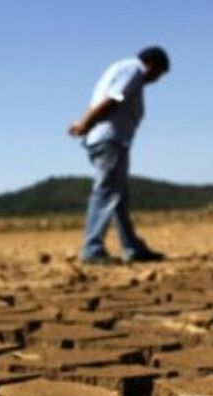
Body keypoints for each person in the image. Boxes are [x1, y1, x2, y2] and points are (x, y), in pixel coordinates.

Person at [68, 46, 170, 265]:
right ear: (152, 65)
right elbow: (113, 99)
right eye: (158, 74)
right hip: (110, 140)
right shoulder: (133, 71)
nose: (156, 80)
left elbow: (105, 99)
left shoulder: (121, 69)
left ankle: (132, 247)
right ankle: (92, 249)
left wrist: (85, 123)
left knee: (118, 197)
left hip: (107, 139)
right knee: (106, 193)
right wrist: (85, 124)